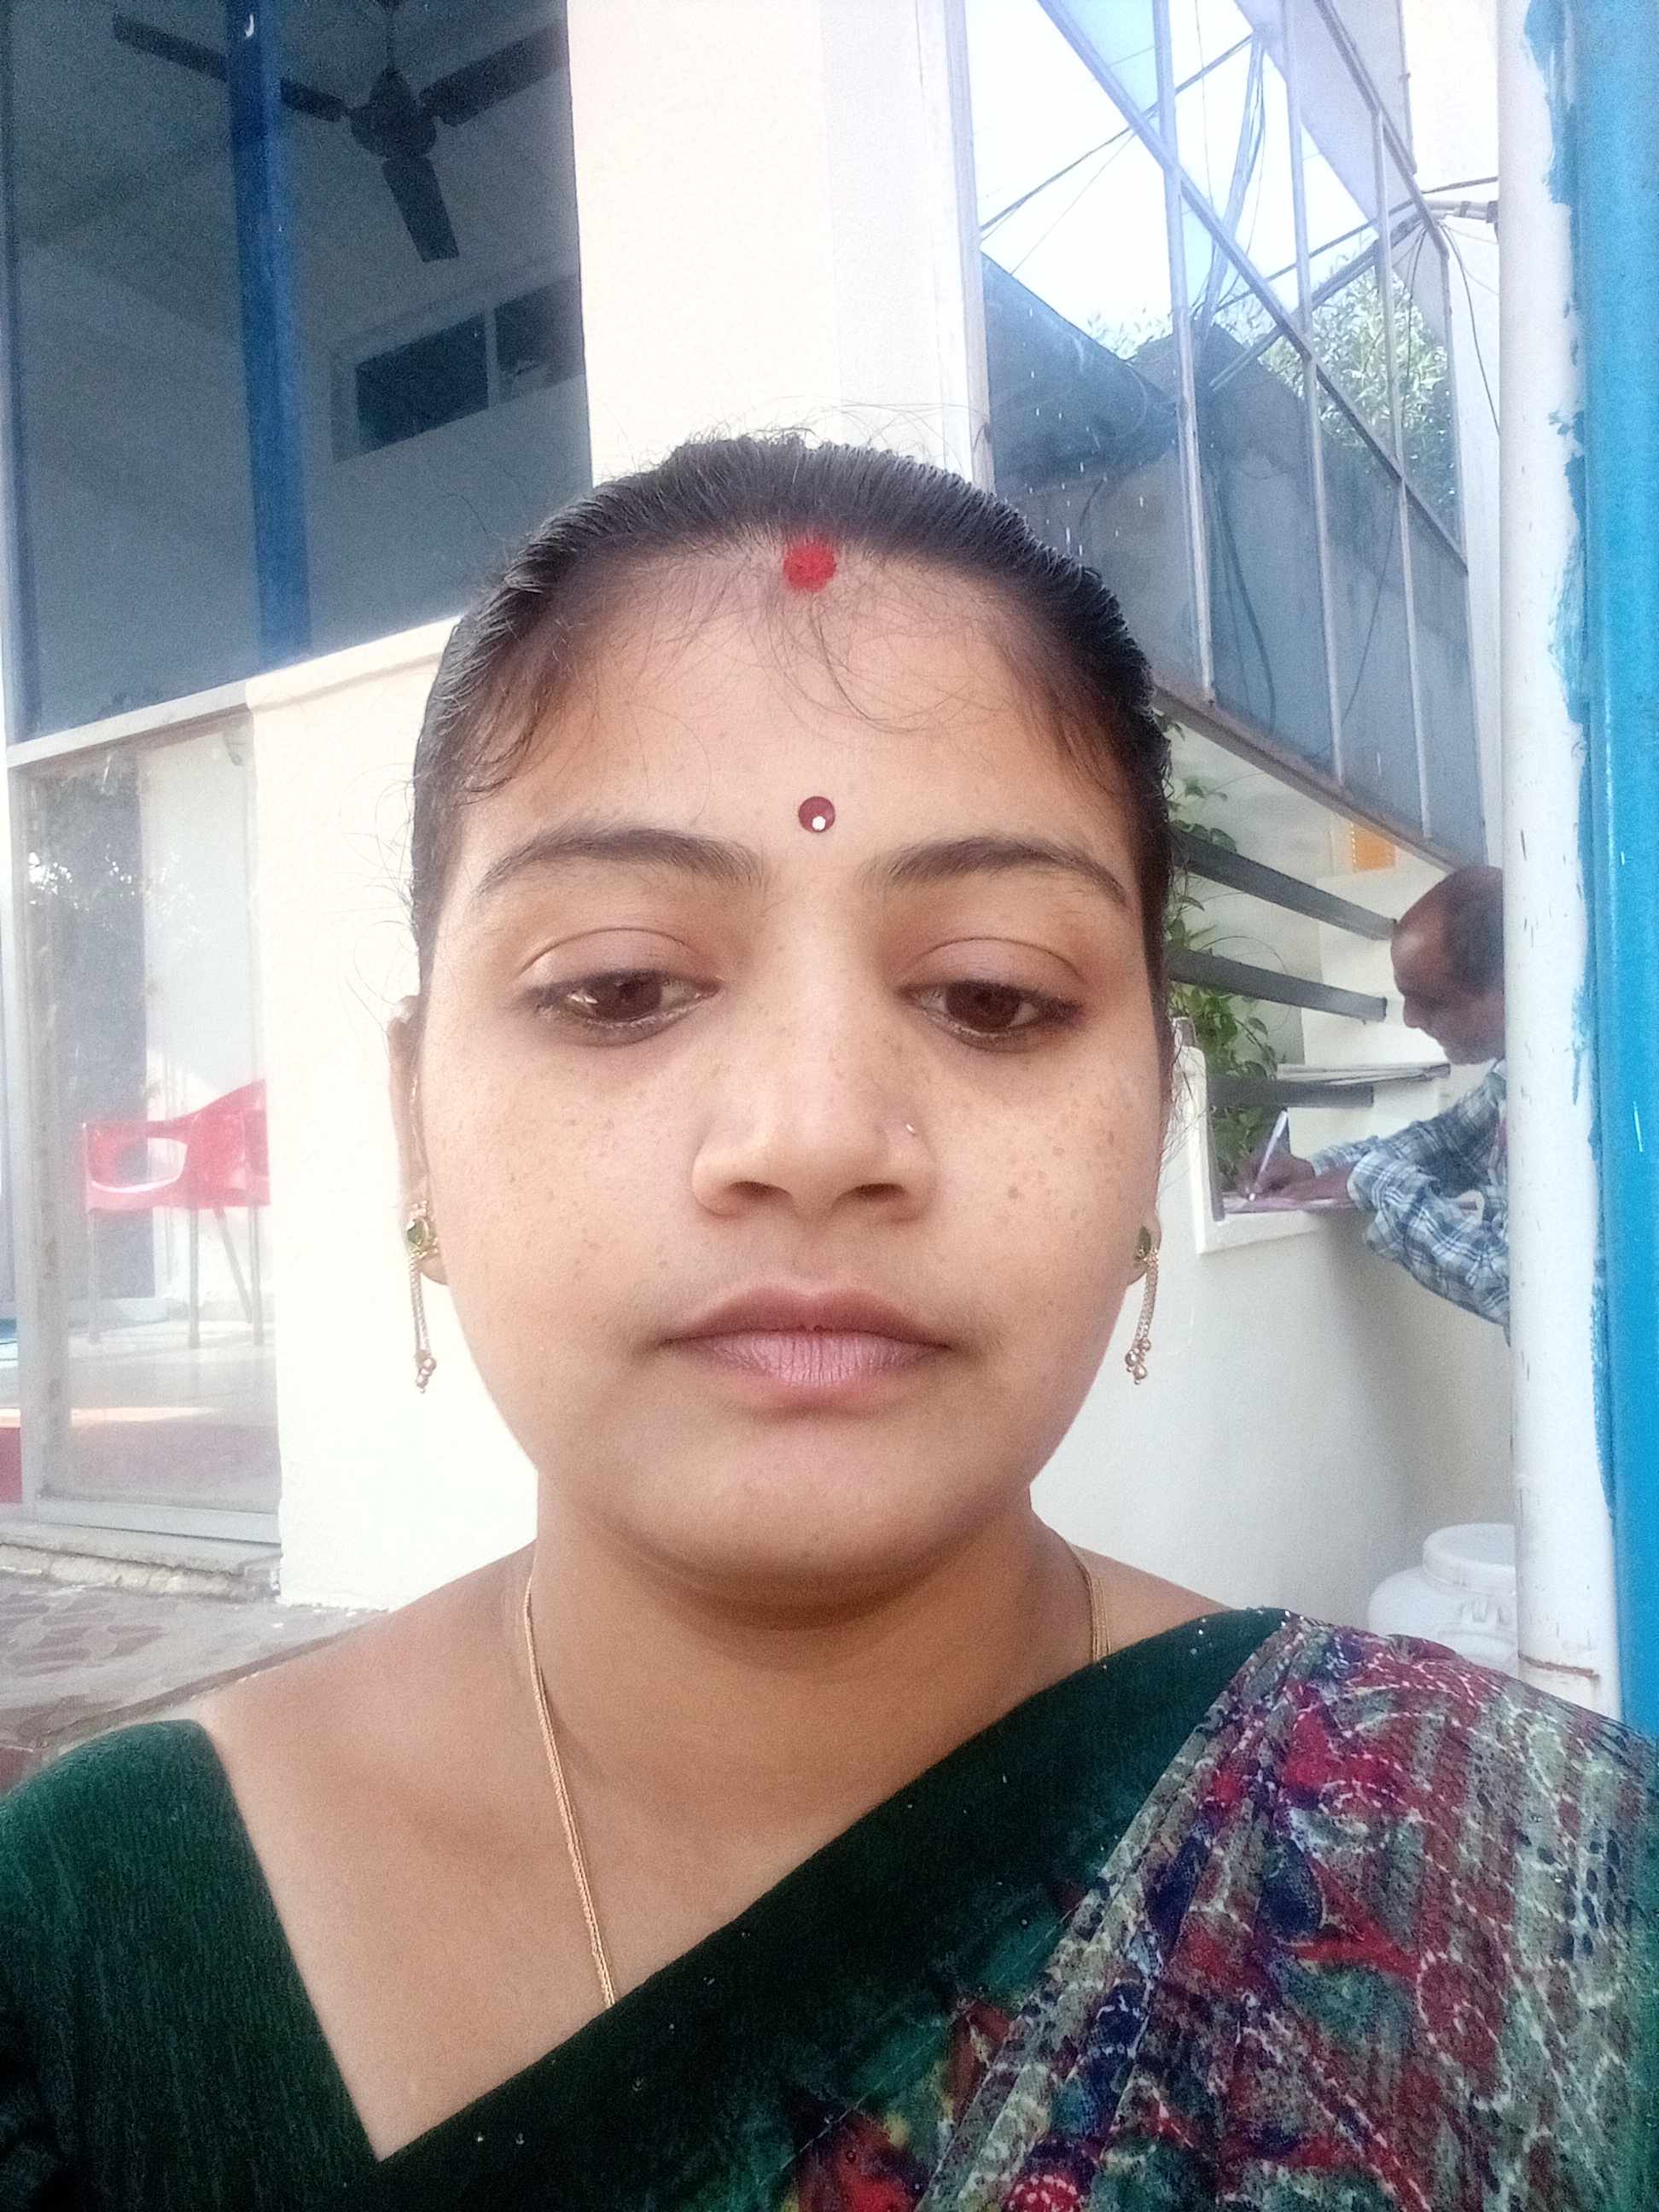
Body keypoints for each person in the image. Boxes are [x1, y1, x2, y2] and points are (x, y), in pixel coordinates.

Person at [0, 441, 1652, 2209]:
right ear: (415, 1118)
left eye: (992, 996)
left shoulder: (1536, 1897)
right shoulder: (80, 1955)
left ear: (1154, 1124)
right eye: (619, 984)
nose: (810, 1134)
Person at [1253, 866, 1510, 1330]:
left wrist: (1376, 1181)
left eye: (1430, 1000)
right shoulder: (1519, 1077)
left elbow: (1510, 1286)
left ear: (1506, 986)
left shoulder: (1578, 1107)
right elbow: (1448, 1142)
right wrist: (1317, 1169)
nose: (1411, 1018)